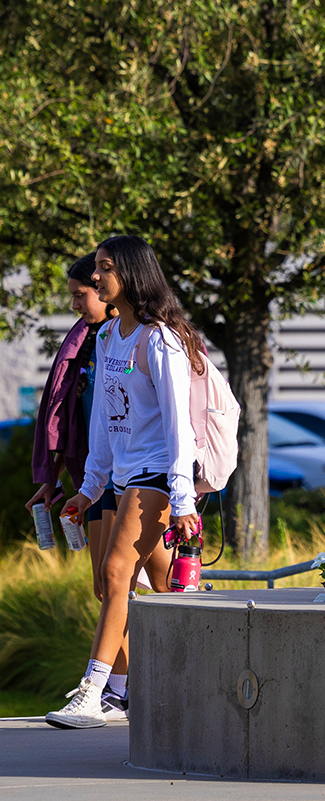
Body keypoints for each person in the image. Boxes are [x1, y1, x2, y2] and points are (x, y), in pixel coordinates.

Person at [45, 235, 203, 729]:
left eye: (105, 268)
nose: (96, 277)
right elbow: (106, 424)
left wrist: (182, 500)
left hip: (156, 472)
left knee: (116, 575)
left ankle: (96, 692)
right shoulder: (110, 336)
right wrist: (89, 487)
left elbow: (180, 426)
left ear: (131, 274)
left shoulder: (160, 339)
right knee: (160, 585)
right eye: (96, 268)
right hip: (121, 475)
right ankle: (191, 679)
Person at [24, 254, 136, 720]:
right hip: (95, 474)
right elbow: (69, 418)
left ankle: (110, 689)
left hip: (139, 476)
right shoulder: (90, 340)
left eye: (82, 292)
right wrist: (55, 478)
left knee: (146, 584)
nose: (77, 301)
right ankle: (125, 690)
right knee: (106, 585)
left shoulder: (143, 338)